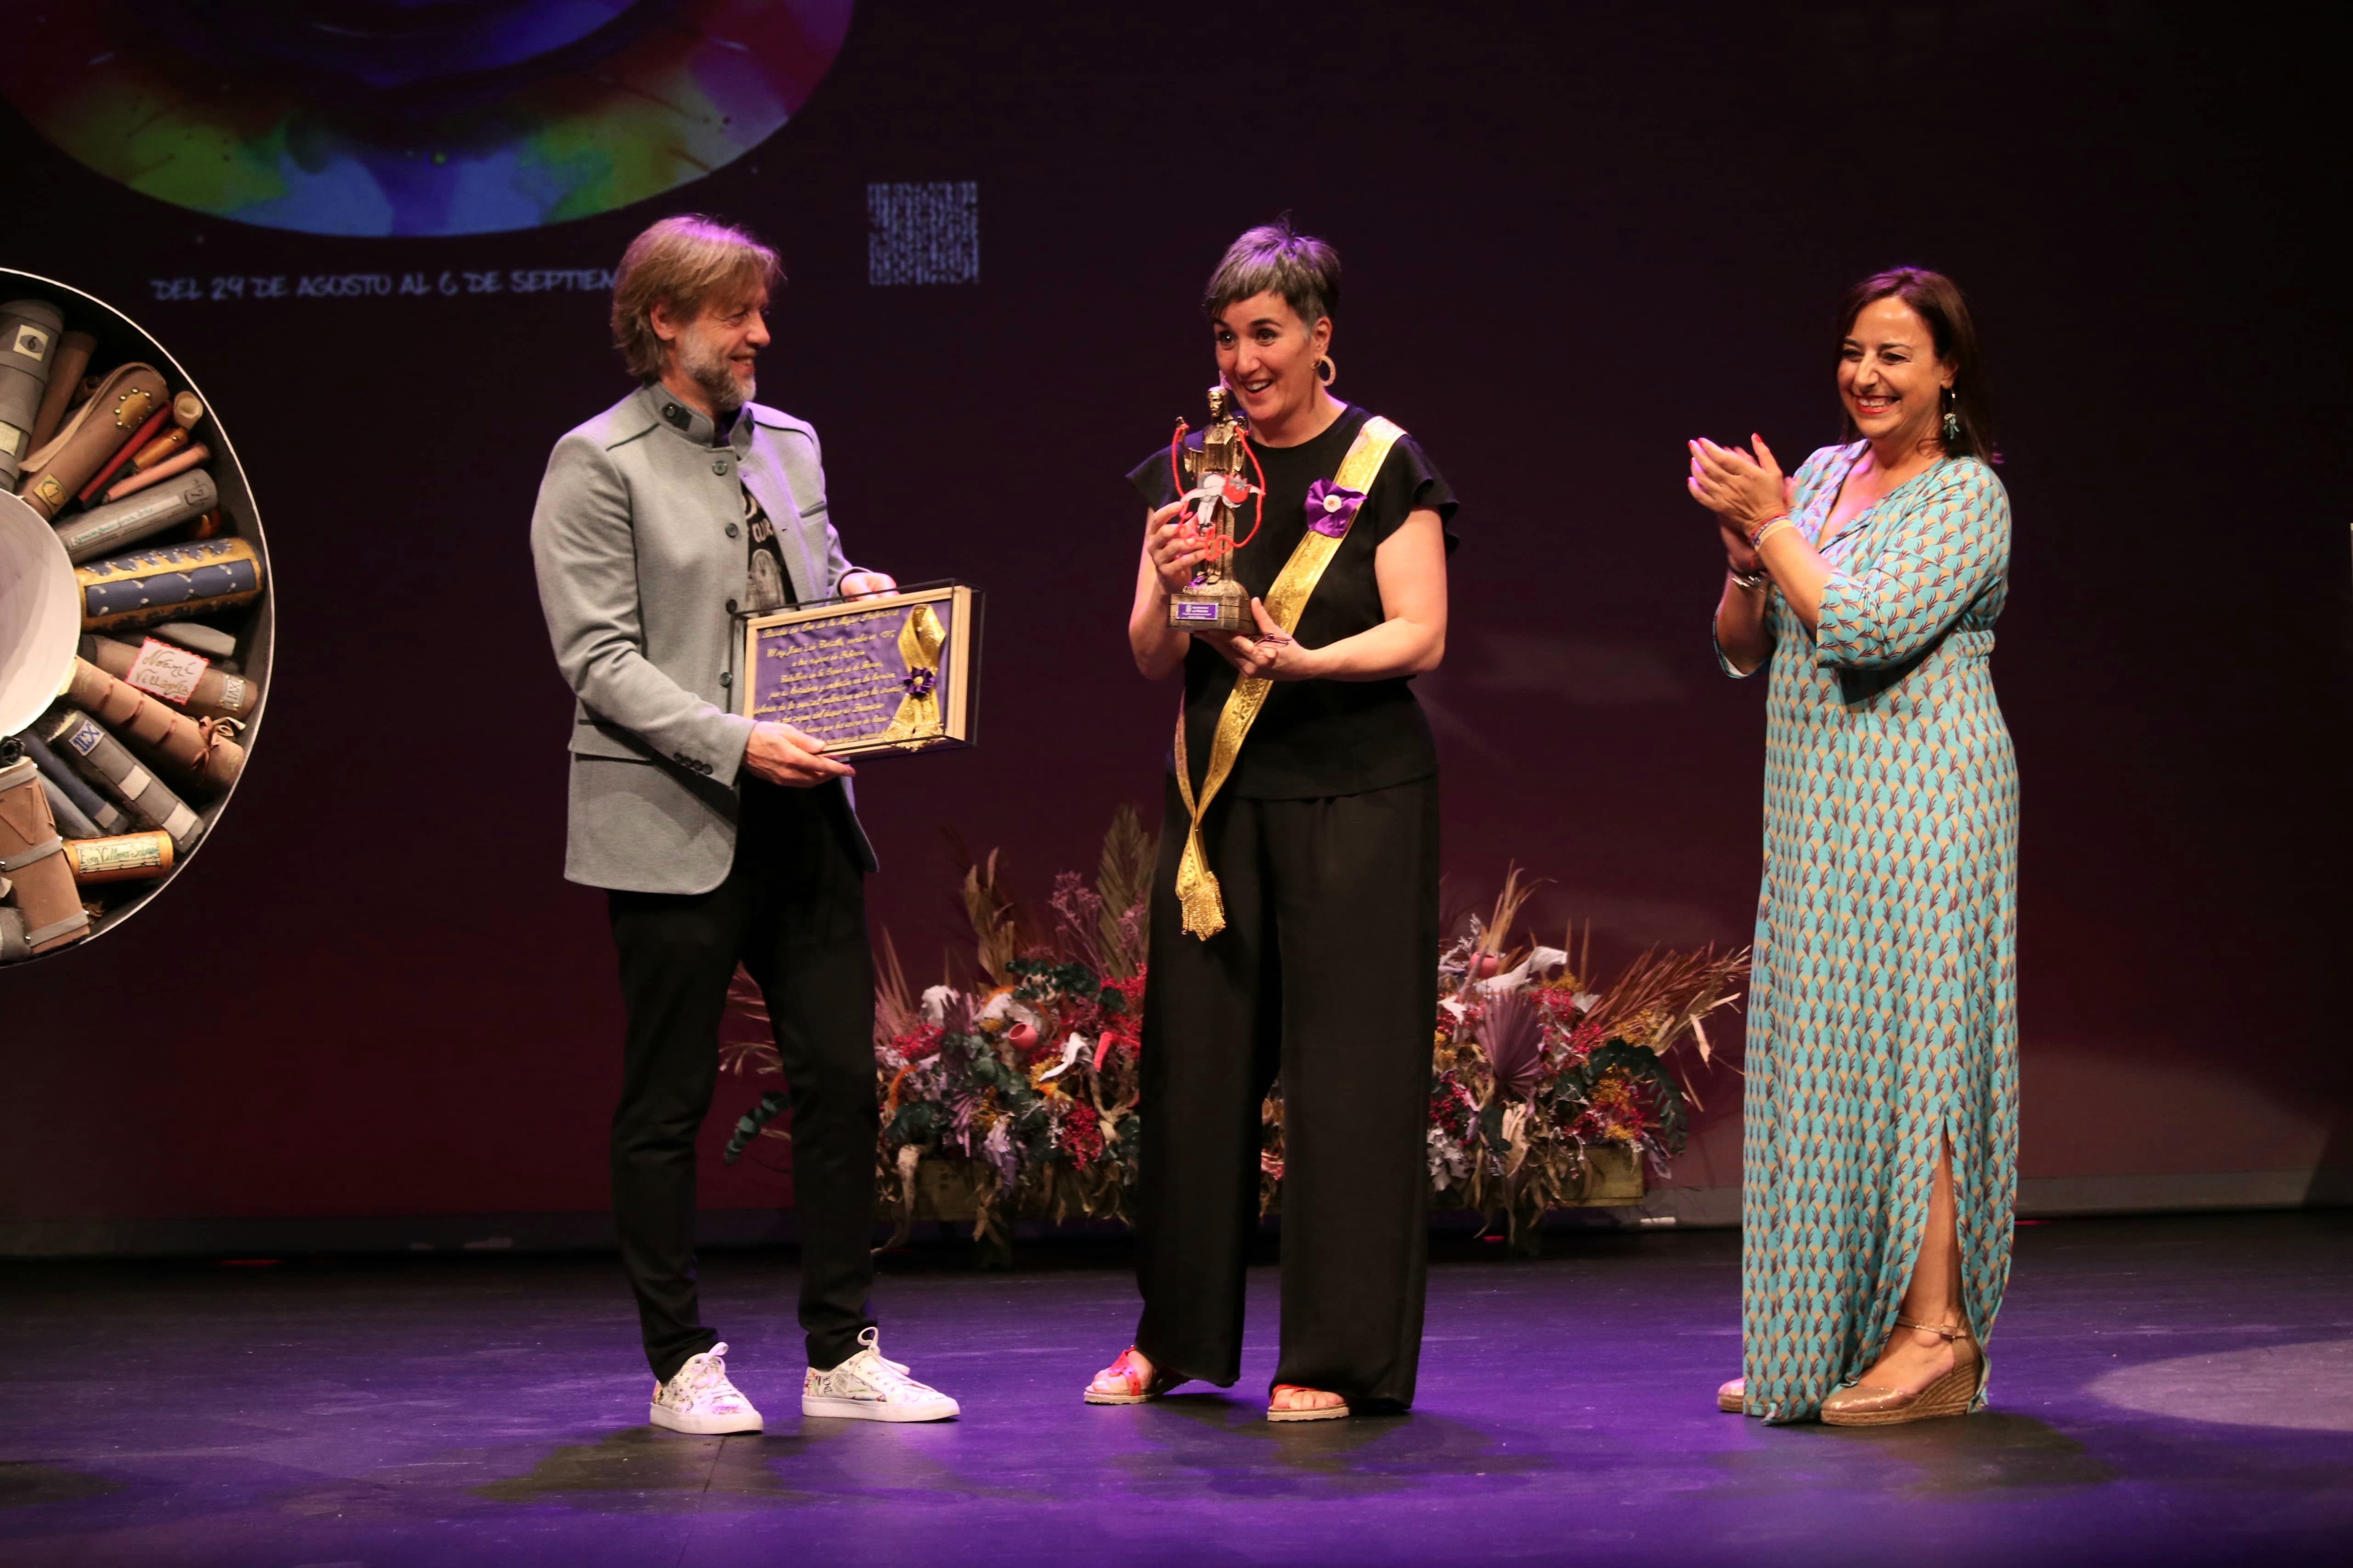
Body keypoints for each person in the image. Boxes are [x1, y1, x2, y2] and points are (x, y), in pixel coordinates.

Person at [530, 214, 959, 1433]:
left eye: (762, 312)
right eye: (735, 314)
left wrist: (859, 597)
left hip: (807, 811)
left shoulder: (792, 443)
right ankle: (680, 1362)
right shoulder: (595, 463)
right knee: (667, 1099)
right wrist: (734, 742)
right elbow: (600, 659)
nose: (761, 333)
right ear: (665, 321)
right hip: (674, 818)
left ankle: (842, 1352)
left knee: (840, 1083)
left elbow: (806, 580)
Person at [1085, 220, 1456, 1421]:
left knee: (1350, 1079)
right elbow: (1152, 653)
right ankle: (1173, 1339)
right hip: (1219, 808)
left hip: (1359, 794)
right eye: (1228, 337)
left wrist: (1308, 661)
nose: (1244, 359)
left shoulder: (1383, 458)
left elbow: (1422, 631)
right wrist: (1159, 562)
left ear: (1319, 337)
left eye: (1267, 333)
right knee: (1195, 1073)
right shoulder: (1194, 465)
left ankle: (1333, 1357)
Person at [1687, 266, 2018, 1426]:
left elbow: (1866, 627)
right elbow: (1747, 647)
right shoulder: (1821, 477)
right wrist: (1744, 553)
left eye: (1893, 355)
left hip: (1930, 798)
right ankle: (1826, 1328)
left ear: (1947, 372)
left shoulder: (1969, 496)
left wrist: (1771, 526)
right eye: (1851, 353)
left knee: (1917, 1054)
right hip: (1819, 810)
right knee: (1824, 1056)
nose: (1866, 376)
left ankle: (1935, 1334)